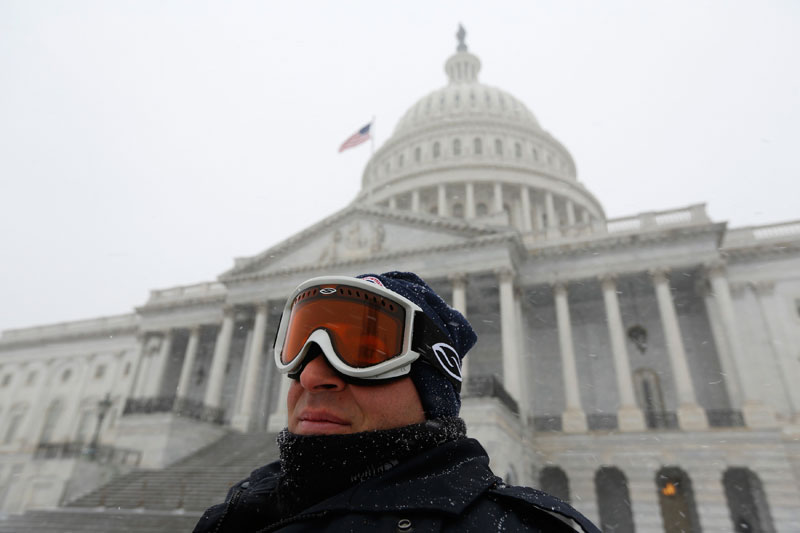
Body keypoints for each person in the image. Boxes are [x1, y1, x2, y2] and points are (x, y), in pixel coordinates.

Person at [194, 272, 599, 532]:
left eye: (364, 351)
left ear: (431, 389)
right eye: (300, 347)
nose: (313, 376)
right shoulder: (230, 518)